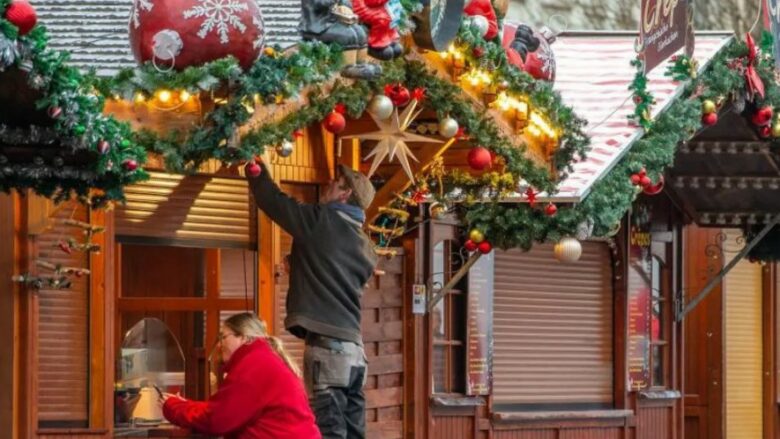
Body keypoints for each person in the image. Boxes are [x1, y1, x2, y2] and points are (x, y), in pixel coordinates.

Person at [247, 162, 377, 439]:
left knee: (329, 431)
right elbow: (335, 273)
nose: (327, 185)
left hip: (328, 350)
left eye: (334, 182)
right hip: (355, 353)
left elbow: (274, 202)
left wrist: (255, 170)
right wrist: (300, 264)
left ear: (344, 194)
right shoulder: (366, 245)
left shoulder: (322, 221)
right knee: (354, 433)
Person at [160, 313, 320, 439]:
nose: (220, 344)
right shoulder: (262, 358)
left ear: (244, 337)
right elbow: (226, 408)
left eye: (223, 337)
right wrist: (185, 404)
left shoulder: (253, 366)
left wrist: (173, 407)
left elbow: (217, 419)